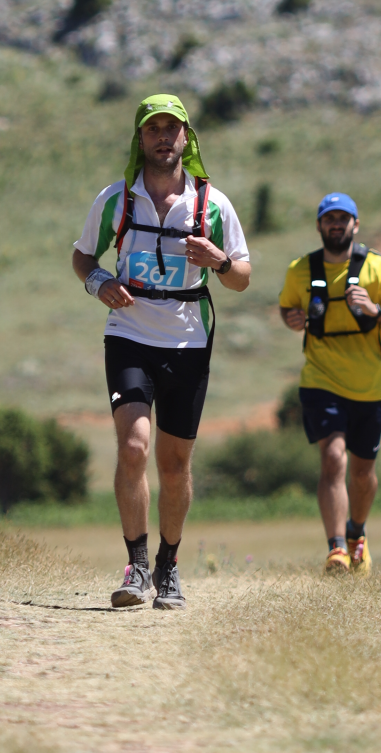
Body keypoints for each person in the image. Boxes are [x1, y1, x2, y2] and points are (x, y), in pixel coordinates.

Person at [70, 94, 251, 609]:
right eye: (154, 129)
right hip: (128, 333)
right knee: (133, 448)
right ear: (140, 139)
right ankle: (137, 566)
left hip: (189, 340)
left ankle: (169, 567)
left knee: (175, 466)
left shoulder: (212, 204)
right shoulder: (117, 200)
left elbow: (241, 278)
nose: (164, 137)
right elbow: (83, 256)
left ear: (187, 139)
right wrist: (100, 281)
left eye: (173, 129)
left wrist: (217, 259)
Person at [278, 193, 381, 575]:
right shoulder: (300, 270)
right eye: (329, 218)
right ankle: (336, 548)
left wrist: (375, 310)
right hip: (321, 378)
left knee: (361, 470)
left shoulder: (380, 268)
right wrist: (291, 318)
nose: (336, 224)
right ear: (319, 225)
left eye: (343, 218)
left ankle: (357, 533)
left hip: (372, 385)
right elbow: (288, 307)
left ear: (356, 224)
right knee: (332, 457)